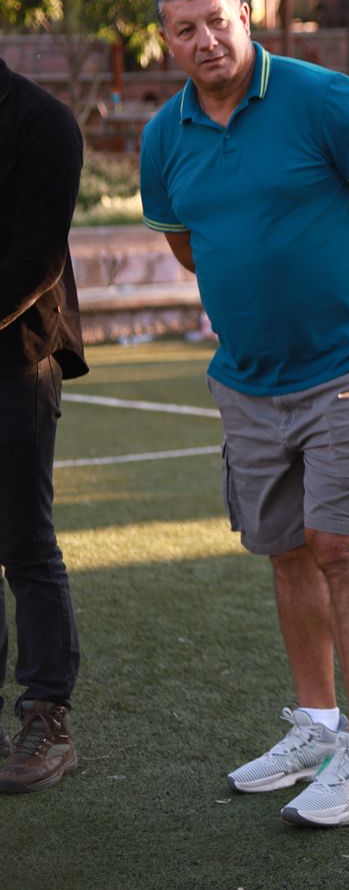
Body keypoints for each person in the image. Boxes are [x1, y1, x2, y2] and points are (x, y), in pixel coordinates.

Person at [139, 0, 349, 828]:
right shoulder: (163, 136)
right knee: (287, 550)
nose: (205, 41)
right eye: (185, 31)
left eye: (217, 21)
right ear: (167, 43)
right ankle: (318, 728)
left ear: (245, 15)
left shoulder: (323, 99)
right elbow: (189, 247)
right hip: (249, 381)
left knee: (339, 546)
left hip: (347, 364)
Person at [0, 56, 87, 794]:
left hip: (17, 359)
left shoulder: (42, 120)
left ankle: (46, 716)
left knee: (25, 541)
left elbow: (37, 254)